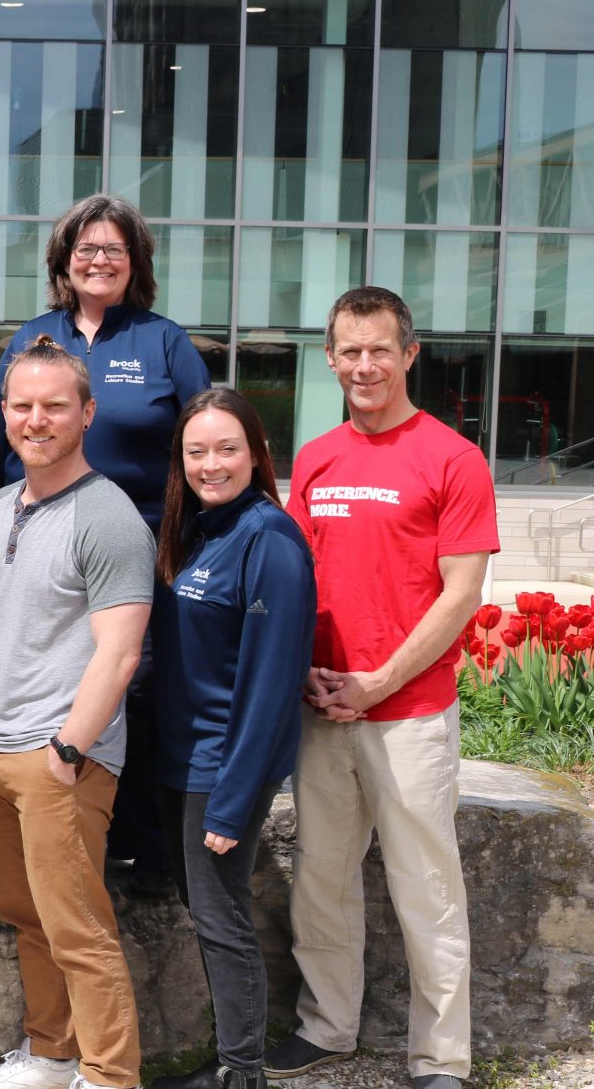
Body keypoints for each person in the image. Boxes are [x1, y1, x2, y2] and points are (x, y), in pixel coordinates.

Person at [264, 287, 496, 1089]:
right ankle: (329, 1028)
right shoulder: (320, 458)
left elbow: (461, 593)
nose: (364, 365)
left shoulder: (452, 458)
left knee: (427, 892)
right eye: (349, 351)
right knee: (320, 885)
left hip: (409, 715)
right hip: (324, 710)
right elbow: (297, 576)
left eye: (379, 350)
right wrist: (309, 675)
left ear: (409, 354)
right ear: (330, 358)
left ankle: (441, 1059)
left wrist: (378, 682)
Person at [0, 193, 210, 898]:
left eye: (114, 249)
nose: (98, 260)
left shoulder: (162, 341)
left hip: (138, 553)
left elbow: (199, 444)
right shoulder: (33, 338)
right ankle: (54, 830)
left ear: (135, 263)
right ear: (63, 261)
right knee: (54, 686)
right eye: (86, 248)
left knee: (135, 688)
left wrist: (195, 545)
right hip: (39, 548)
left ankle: (144, 843)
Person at [0, 337, 154, 1089]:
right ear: (2, 411)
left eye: (54, 406)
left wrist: (69, 750)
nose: (36, 419)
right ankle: (50, 1053)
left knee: (78, 929)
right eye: (22, 405)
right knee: (26, 914)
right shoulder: (4, 502)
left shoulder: (107, 518)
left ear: (87, 413)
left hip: (58, 758)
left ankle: (110, 1075)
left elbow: (120, 653)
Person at [150, 389, 316, 1089]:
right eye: (197, 451)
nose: (211, 464)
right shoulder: (198, 528)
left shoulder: (270, 540)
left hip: (220, 769)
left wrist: (232, 799)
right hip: (178, 760)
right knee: (203, 909)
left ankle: (240, 1073)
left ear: (257, 455)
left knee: (222, 921)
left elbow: (272, 686)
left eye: (227, 449)